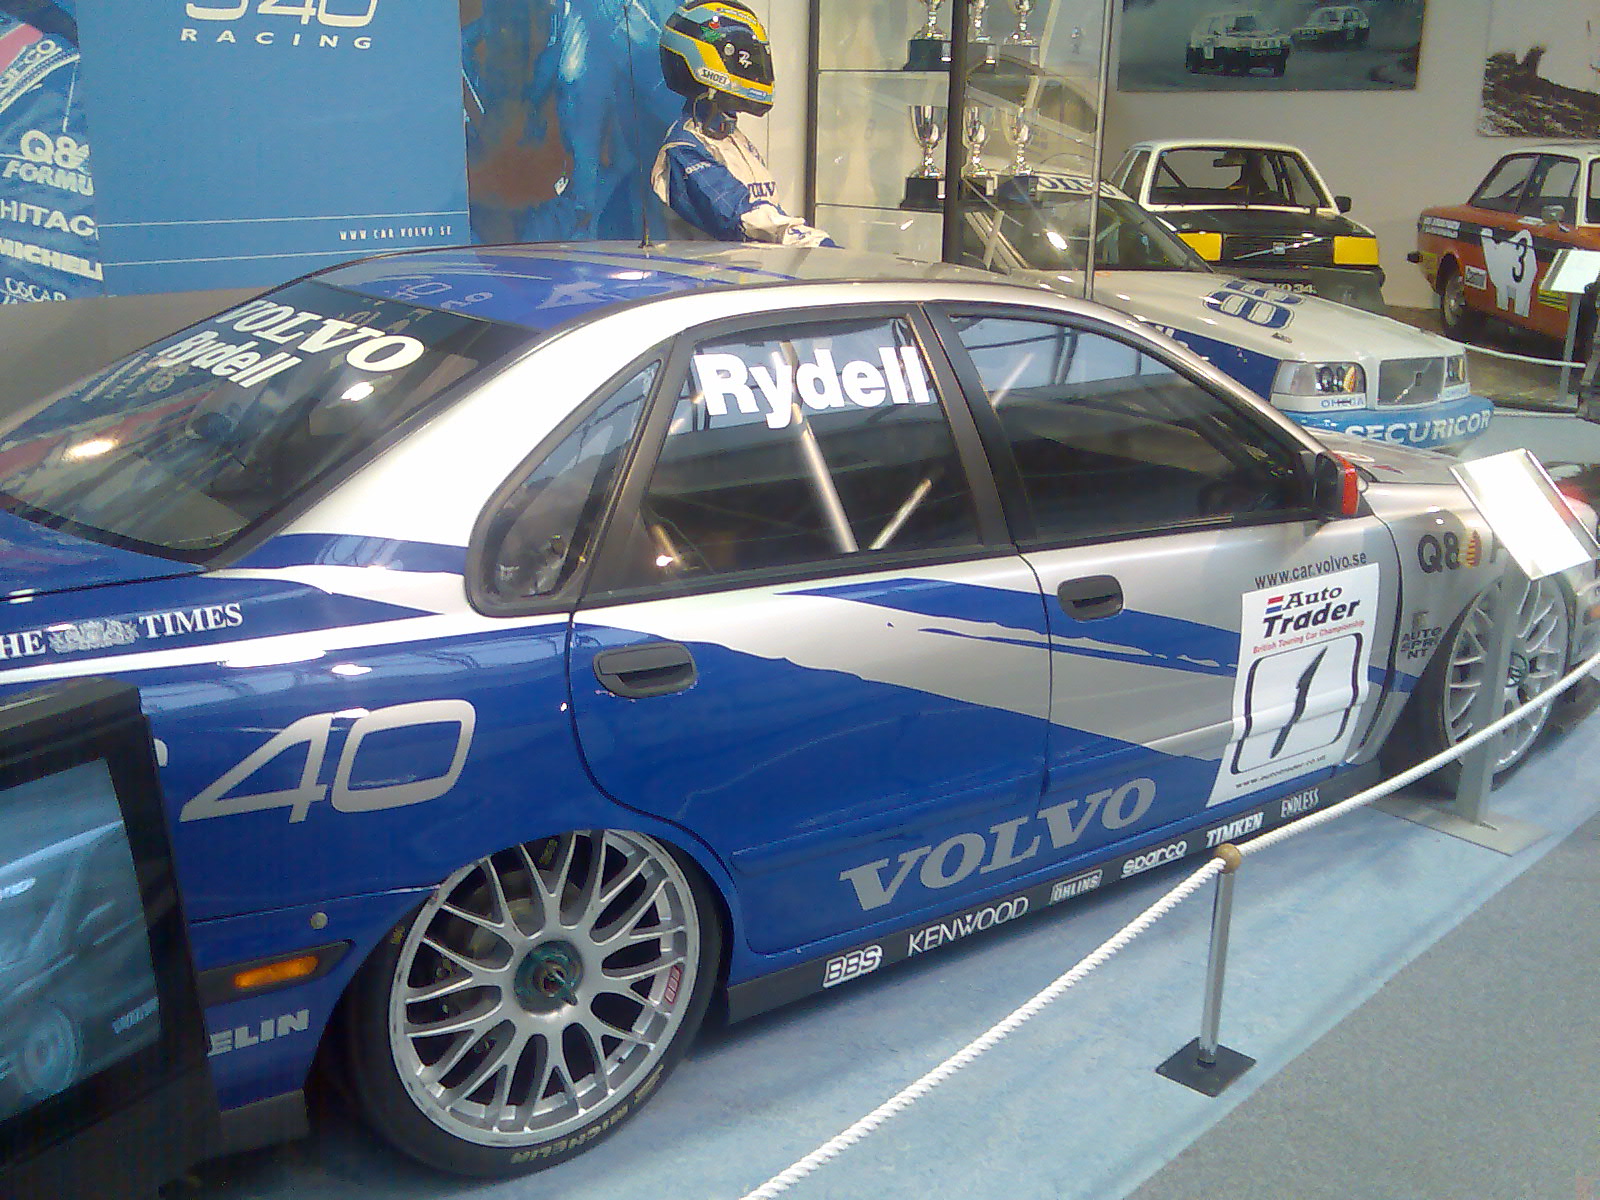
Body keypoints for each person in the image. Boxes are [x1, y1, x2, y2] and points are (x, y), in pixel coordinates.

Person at [653, 0, 834, 246]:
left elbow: (767, 212)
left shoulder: (730, 137)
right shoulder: (684, 149)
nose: (756, 69)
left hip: (747, 267)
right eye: (748, 58)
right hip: (711, 270)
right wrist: (813, 242)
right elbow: (743, 217)